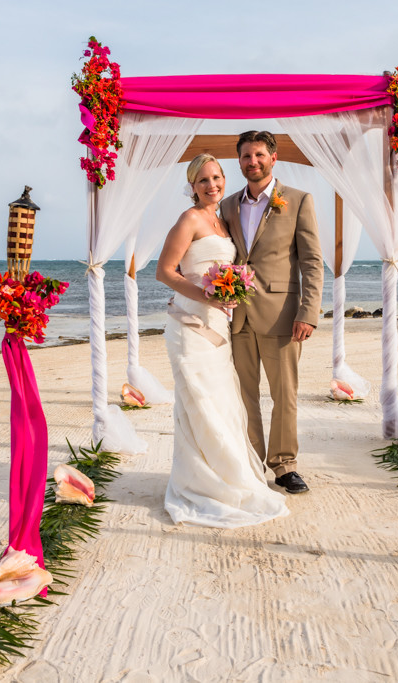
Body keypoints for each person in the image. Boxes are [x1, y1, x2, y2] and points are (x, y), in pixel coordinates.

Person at [156, 154, 289, 528]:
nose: (211, 185)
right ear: (192, 186)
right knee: (199, 405)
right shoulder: (190, 219)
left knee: (220, 402)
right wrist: (208, 296)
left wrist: (229, 294)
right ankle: (204, 484)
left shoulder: (223, 220)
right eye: (203, 180)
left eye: (216, 177)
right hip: (190, 326)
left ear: (223, 180)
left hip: (219, 326)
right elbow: (164, 271)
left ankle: (224, 476)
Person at [221, 131, 324, 495]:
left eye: (259, 154)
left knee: (285, 394)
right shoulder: (228, 205)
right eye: (246, 156)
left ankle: (283, 466)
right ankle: (251, 462)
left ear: (273, 157)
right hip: (237, 317)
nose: (253, 161)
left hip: (283, 314)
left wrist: (308, 312)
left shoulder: (297, 201)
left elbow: (312, 261)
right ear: (239, 161)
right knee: (244, 395)